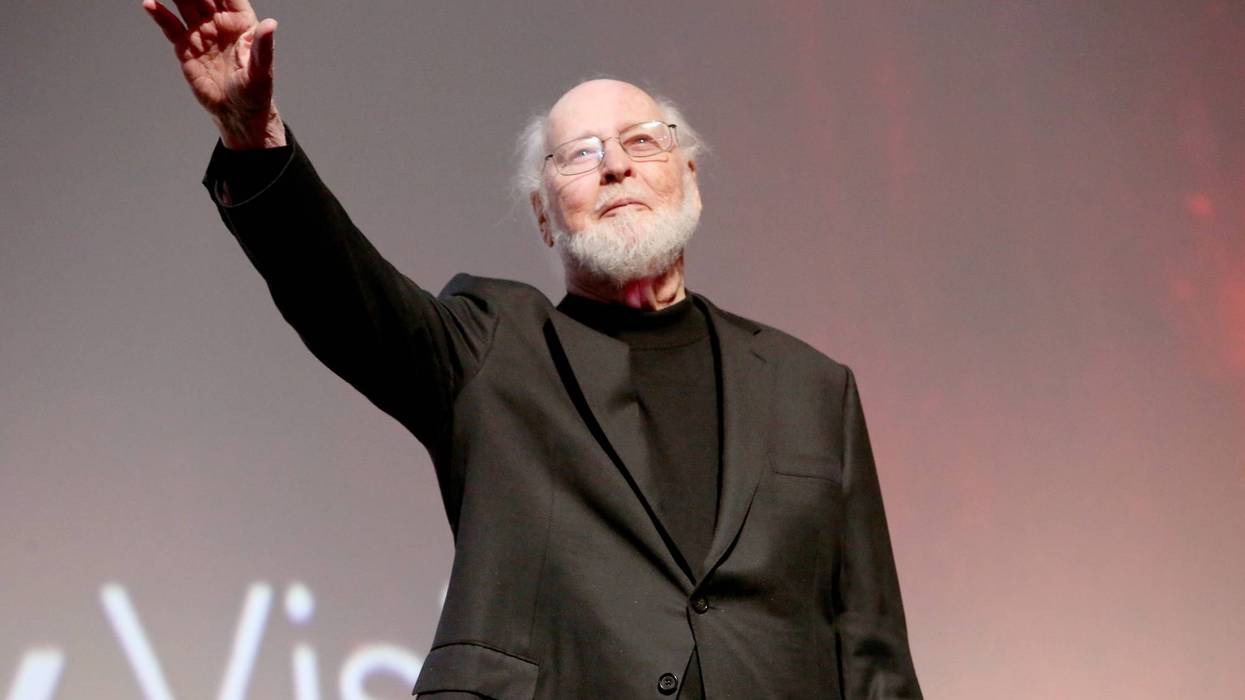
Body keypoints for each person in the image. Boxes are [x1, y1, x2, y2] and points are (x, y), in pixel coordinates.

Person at [143, 1, 923, 697]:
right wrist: (254, 139)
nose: (615, 164)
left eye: (642, 142)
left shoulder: (810, 387)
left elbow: (873, 651)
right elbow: (347, 299)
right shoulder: (491, 348)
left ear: (689, 179)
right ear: (545, 216)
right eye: (579, 154)